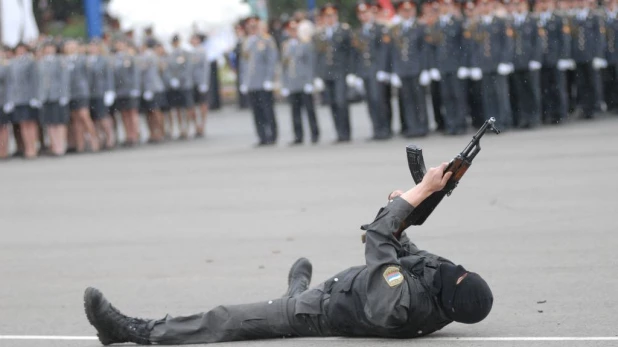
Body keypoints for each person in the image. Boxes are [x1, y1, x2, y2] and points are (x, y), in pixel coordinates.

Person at [83, 162, 493, 345]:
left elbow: (379, 244)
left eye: (460, 277)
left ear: (451, 298)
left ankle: (131, 331)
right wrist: (402, 201)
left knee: (228, 320)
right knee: (294, 294)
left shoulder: (402, 302)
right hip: (340, 292)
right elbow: (405, 248)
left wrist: (420, 193)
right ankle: (295, 288)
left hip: (316, 314)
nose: (456, 270)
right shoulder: (442, 288)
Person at [388, 0, 431, 138]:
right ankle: (412, 127)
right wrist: (394, 71)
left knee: (419, 99)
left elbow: (424, 50)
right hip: (402, 70)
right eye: (404, 11)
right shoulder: (396, 28)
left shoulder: (420, 27)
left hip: (417, 69)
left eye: (410, 10)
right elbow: (394, 51)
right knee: (407, 100)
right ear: (400, 12)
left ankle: (422, 126)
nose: (407, 13)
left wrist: (425, 69)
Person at [313, 3, 354, 143]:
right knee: (332, 103)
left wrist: (351, 72)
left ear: (336, 16)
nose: (329, 18)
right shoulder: (321, 33)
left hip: (341, 71)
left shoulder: (344, 30)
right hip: (327, 73)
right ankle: (339, 133)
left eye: (331, 15)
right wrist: (318, 75)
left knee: (341, 102)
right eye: (326, 16)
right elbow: (318, 55)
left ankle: (345, 133)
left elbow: (350, 52)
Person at [352, 0, 392, 141]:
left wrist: (383, 69)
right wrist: (357, 74)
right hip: (365, 71)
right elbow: (356, 54)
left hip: (377, 71)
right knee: (370, 102)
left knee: (379, 100)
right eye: (361, 13)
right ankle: (376, 129)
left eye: (366, 12)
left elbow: (384, 51)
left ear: (372, 12)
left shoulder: (380, 29)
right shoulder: (358, 32)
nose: (364, 16)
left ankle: (385, 129)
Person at [239, 15, 279, 147]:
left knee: (267, 109)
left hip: (263, 82)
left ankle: (272, 135)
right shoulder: (246, 42)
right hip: (252, 83)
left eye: (254, 25)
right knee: (256, 111)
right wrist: (244, 81)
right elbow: (244, 63)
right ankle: (262, 136)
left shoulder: (266, 40)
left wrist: (269, 79)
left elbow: (271, 61)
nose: (252, 28)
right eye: (249, 26)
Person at [280, 19, 320, 145]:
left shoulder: (306, 44)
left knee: (309, 110)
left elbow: (310, 64)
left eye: (294, 29)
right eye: (290, 30)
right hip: (292, 83)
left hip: (304, 82)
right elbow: (284, 67)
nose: (292, 32)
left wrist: (310, 81)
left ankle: (314, 134)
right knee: (295, 111)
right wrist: (284, 84)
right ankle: (298, 136)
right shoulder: (286, 45)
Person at [65, 39, 101, 153]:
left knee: (84, 116)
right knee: (75, 118)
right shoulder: (64, 60)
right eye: (68, 46)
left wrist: (87, 88)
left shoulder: (83, 59)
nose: (70, 48)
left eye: (72, 46)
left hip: (81, 92)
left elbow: (89, 76)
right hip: (70, 93)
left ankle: (94, 141)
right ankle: (80, 144)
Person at [7, 43, 41, 159]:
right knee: (22, 124)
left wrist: (35, 96)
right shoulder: (12, 63)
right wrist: (10, 99)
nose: (21, 51)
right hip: (18, 99)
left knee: (31, 123)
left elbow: (35, 80)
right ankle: (28, 148)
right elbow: (10, 83)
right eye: (19, 49)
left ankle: (34, 148)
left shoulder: (30, 62)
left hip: (29, 98)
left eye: (23, 49)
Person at [38, 40, 70, 156]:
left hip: (57, 95)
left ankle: (61, 146)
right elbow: (39, 81)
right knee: (50, 123)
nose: (49, 49)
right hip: (45, 97)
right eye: (47, 47)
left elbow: (64, 79)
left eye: (51, 47)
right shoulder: (41, 62)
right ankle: (54, 145)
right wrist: (39, 96)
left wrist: (64, 95)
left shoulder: (60, 60)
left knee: (60, 122)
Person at [87, 39, 116, 149]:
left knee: (103, 116)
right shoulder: (88, 59)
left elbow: (109, 76)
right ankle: (100, 138)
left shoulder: (103, 60)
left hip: (101, 91)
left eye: (94, 46)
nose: (92, 48)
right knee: (95, 118)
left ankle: (110, 138)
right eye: (91, 46)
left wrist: (110, 90)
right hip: (90, 93)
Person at [190, 33, 209, 138]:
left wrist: (204, 82)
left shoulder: (202, 52)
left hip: (200, 82)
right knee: (192, 105)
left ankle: (202, 125)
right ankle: (196, 126)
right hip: (192, 82)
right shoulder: (190, 52)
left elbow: (205, 68)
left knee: (203, 104)